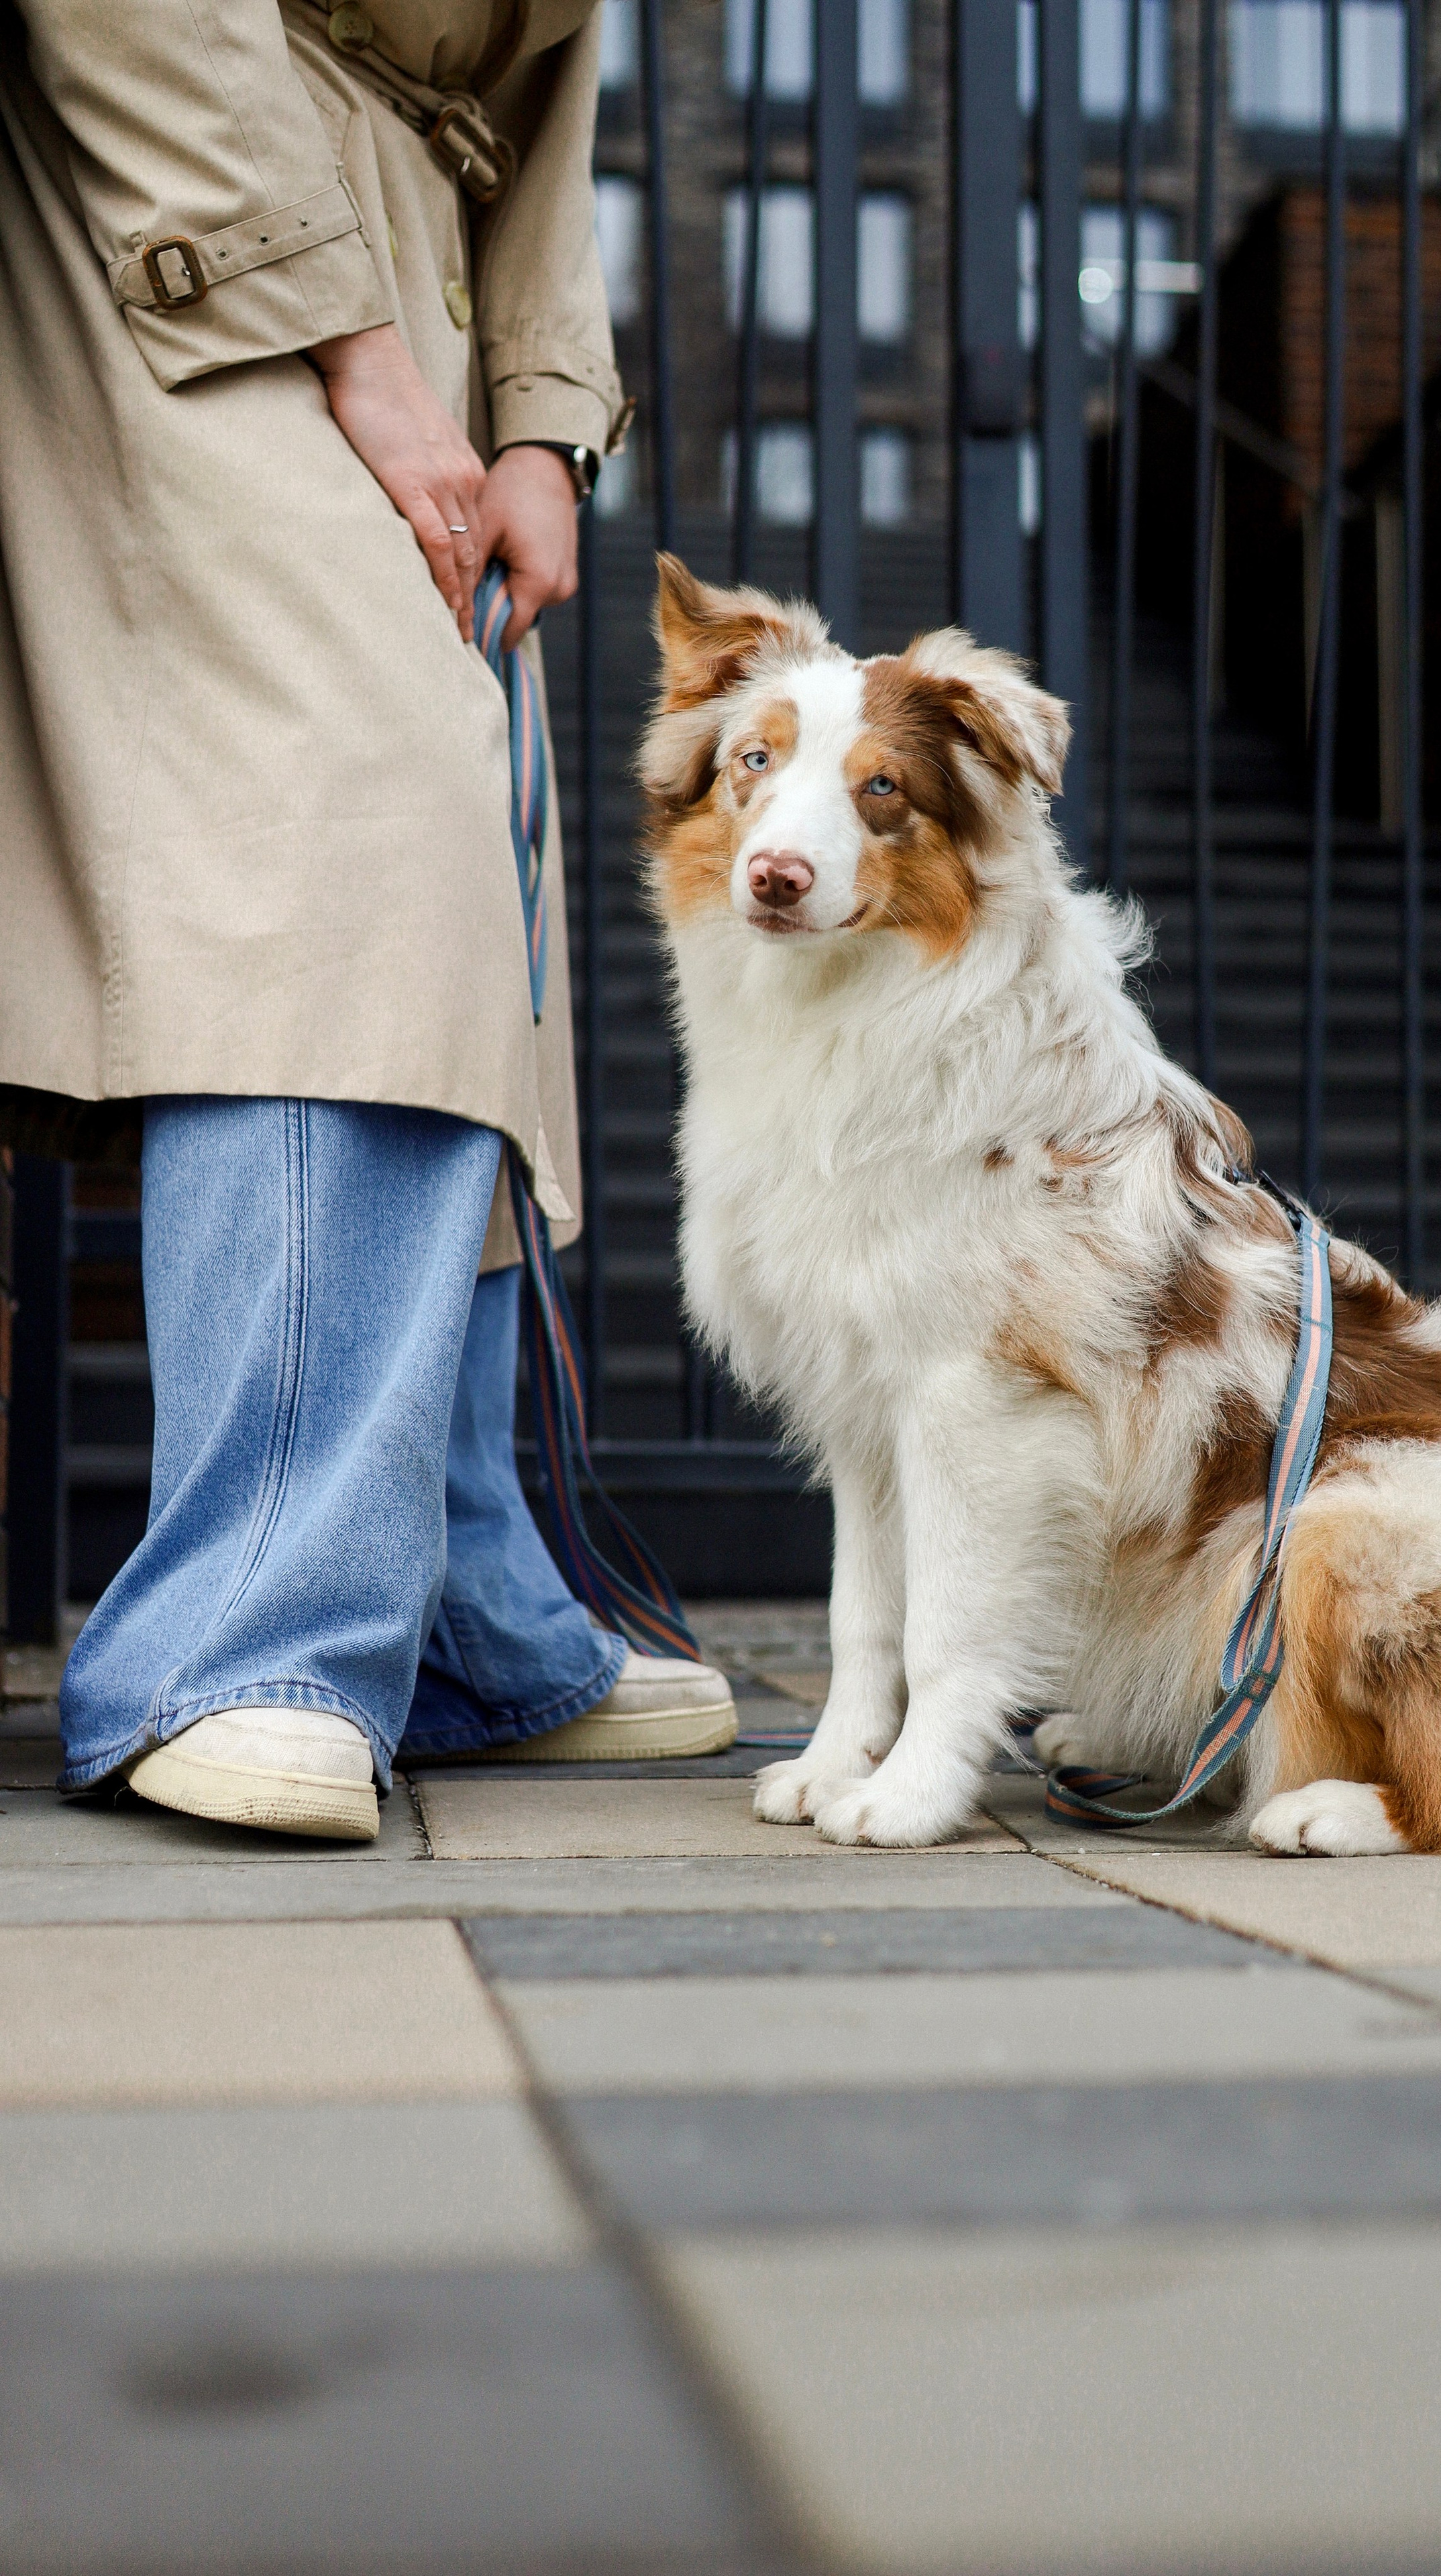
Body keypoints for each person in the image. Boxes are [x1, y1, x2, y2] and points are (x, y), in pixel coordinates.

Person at [0, 0, 733, 1843]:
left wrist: (546, 422)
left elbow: (550, 84)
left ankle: (453, 1601)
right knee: (347, 831)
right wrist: (345, 334)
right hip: (180, 188)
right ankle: (244, 1632)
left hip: (420, 271)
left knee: (454, 897)